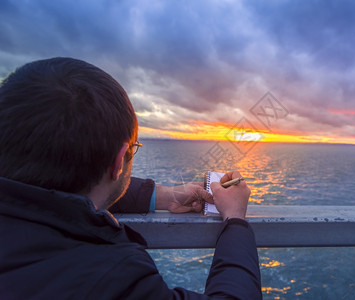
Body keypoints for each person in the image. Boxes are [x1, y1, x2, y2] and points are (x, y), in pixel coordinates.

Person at [0, 57, 262, 299]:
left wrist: (165, 196)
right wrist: (235, 220)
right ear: (119, 161)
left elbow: (49, 189)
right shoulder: (112, 278)